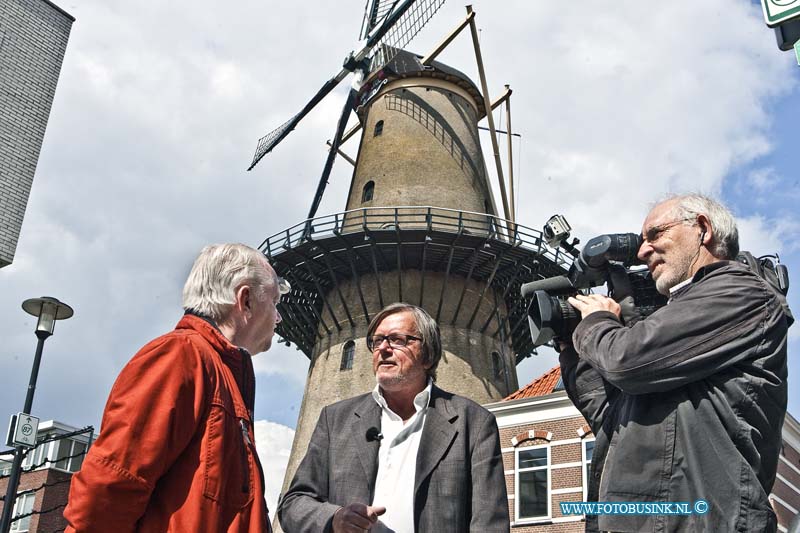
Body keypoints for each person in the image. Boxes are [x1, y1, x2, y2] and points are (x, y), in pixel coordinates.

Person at [561, 194, 790, 532]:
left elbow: (625, 360)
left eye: (655, 234)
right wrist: (570, 345)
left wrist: (597, 322)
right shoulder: (672, 336)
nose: (642, 251)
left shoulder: (740, 293)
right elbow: (611, 418)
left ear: (702, 228)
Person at [64, 243, 289, 532]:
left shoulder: (226, 378)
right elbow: (111, 486)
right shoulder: (180, 357)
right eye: (274, 302)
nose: (278, 317)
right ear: (244, 300)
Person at [277, 303, 509, 532]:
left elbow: (490, 524)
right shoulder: (336, 420)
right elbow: (294, 503)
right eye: (378, 341)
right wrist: (335, 518)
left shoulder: (473, 422)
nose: (383, 349)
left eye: (398, 340)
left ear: (427, 355)